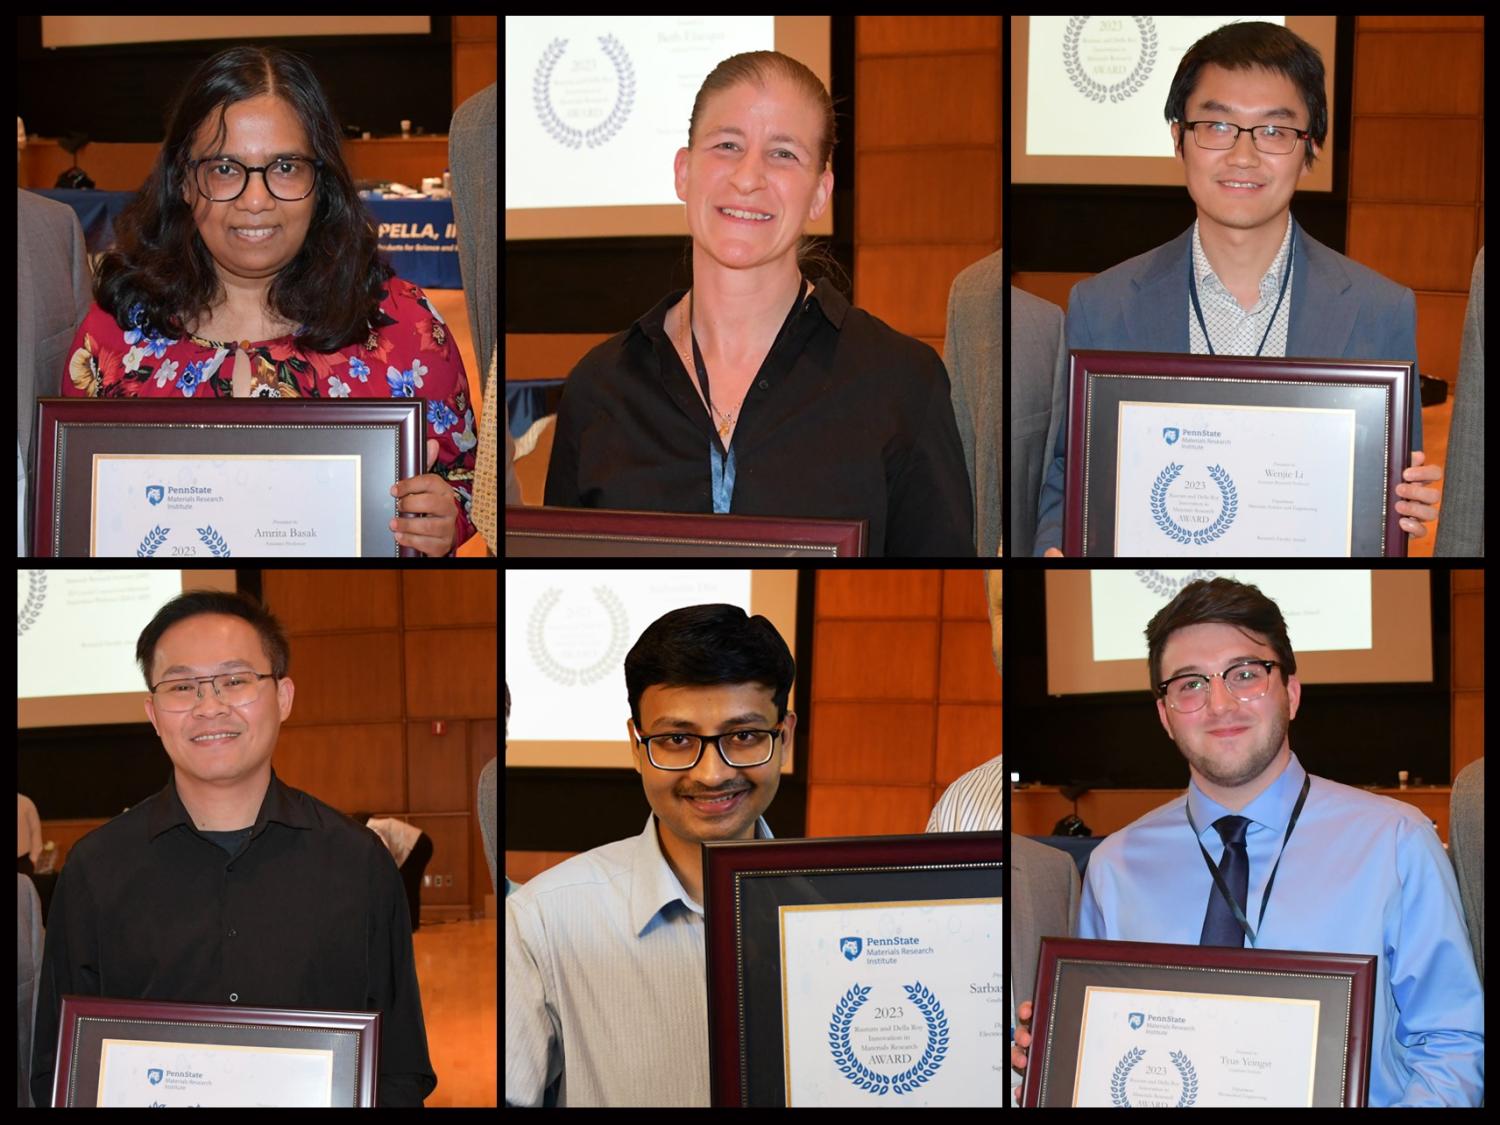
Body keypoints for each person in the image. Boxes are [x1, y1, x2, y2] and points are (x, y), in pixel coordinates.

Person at [1012, 578, 1483, 1106]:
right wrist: (1062, 1055)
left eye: (1244, 674)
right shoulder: (1114, 868)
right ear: (1165, 716)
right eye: (1189, 684)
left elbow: (1453, 1045)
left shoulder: (1396, 843)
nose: (1219, 703)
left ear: (1291, 693)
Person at [545, 51, 974, 556]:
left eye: (783, 153)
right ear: (684, 173)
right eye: (727, 145)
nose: (748, 177)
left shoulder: (902, 383)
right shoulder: (599, 388)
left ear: (820, 192)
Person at [1036, 22, 1441, 554]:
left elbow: (1384, 497)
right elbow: (1069, 476)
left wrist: (1401, 508)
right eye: (1217, 126)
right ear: (1179, 137)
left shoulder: (1380, 309)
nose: (1244, 156)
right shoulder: (1102, 305)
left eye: (1274, 131)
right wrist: (1051, 546)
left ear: (1310, 145)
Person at [60, 46, 476, 556]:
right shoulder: (116, 331)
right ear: (186, 182)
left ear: (320, 183)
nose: (255, 200)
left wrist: (447, 514)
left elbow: (471, 481)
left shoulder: (403, 325)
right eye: (224, 168)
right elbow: (73, 505)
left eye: (284, 166)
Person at [29, 590, 436, 1106]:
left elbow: (399, 1068)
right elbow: (57, 1069)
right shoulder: (94, 870)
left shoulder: (359, 863)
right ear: (154, 714)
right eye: (183, 686)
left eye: (235, 680)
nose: (210, 706)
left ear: (283, 697)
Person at [506, 604, 795, 1105]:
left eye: (744, 736)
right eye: (677, 739)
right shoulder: (543, 920)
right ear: (636, 746)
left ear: (784, 737)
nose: (711, 774)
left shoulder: (833, 908)